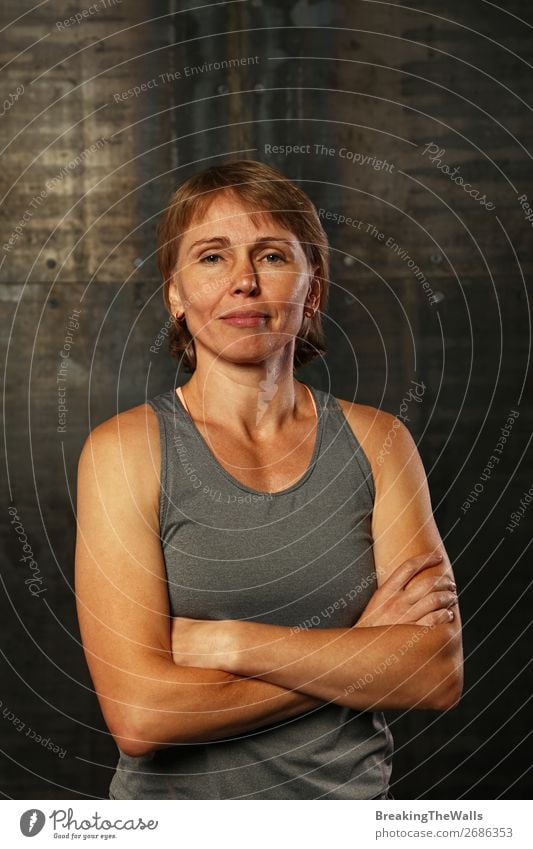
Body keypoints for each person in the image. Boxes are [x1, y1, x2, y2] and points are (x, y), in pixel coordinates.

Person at [75, 159, 463, 800]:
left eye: (273, 256)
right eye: (211, 257)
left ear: (312, 289)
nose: (244, 283)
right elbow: (142, 717)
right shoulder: (125, 451)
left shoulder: (379, 442)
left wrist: (229, 642)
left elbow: (433, 673)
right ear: (175, 292)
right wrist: (360, 650)